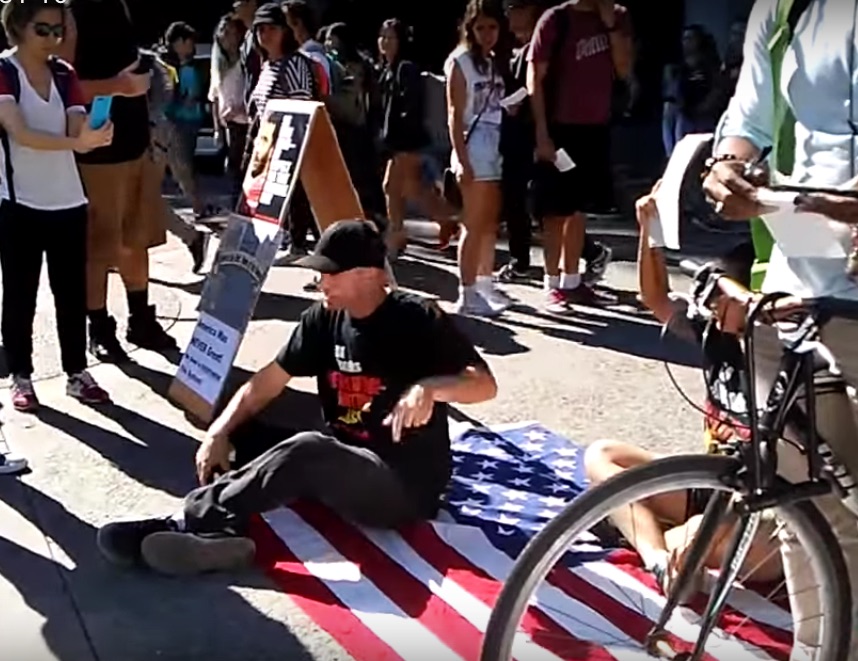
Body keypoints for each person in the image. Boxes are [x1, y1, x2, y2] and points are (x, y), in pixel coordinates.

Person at [96, 220, 498, 575]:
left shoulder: (416, 318)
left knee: (306, 450)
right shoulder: (323, 317)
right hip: (346, 456)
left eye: (330, 274)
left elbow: (484, 383)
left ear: (369, 275)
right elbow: (265, 383)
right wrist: (217, 432)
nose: (320, 282)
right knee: (238, 422)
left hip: (403, 487)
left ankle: (189, 519)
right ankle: (225, 534)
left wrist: (429, 388)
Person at [702, 0, 858, 652]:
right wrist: (728, 165)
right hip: (794, 273)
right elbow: (749, 115)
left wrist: (781, 201)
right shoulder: (781, 6)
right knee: (800, 505)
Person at [584, 183, 781, 598]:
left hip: (764, 506)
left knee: (690, 540)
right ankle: (655, 556)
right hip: (714, 480)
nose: (715, 311)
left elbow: (776, 473)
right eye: (714, 302)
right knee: (603, 456)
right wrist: (648, 231)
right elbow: (655, 297)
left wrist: (702, 532)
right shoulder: (713, 330)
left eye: (725, 303)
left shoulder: (782, 357)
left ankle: (659, 540)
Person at [0, 0, 112, 410]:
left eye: (58, 30)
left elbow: (75, 128)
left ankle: (76, 372)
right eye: (43, 29)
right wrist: (77, 142)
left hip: (68, 200)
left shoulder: (65, 74)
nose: (53, 38)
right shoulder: (4, 71)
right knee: (19, 295)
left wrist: (96, 132)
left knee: (71, 293)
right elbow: (21, 133)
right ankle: (21, 376)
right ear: (18, 28)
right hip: (19, 202)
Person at [61, 0, 178, 363]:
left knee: (135, 239)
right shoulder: (70, 13)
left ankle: (140, 318)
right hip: (96, 155)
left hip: (135, 146)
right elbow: (60, 83)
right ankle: (99, 328)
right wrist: (120, 86)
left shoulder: (121, 7)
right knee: (98, 247)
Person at [528, 0, 632, 312]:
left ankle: (572, 282)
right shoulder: (555, 19)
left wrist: (609, 23)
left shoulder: (617, 16)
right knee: (554, 211)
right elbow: (535, 76)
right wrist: (541, 132)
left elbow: (624, 68)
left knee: (579, 209)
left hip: (596, 127)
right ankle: (552, 283)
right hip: (560, 127)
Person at [446, 0, 510, 317]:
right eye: (480, 27)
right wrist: (462, 159)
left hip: (497, 142)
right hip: (474, 146)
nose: (487, 34)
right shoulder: (460, 62)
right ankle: (466, 291)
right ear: (469, 28)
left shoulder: (494, 61)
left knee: (488, 222)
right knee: (473, 222)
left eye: (493, 27)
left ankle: (483, 284)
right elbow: (455, 115)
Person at [378, 18, 457, 254]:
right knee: (409, 189)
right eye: (382, 36)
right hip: (400, 142)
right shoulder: (389, 69)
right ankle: (446, 223)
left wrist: (400, 139)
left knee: (398, 187)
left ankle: (397, 236)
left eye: (391, 37)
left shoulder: (405, 69)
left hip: (407, 141)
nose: (384, 41)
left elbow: (410, 107)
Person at [497, 0, 543, 283]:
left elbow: (537, 85)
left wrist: (512, 102)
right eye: (509, 9)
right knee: (515, 199)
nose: (512, 15)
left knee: (544, 203)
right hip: (511, 136)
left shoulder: (539, 47)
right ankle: (520, 260)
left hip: (534, 132)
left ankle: (587, 250)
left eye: (518, 7)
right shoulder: (508, 51)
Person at [162, 21, 211, 220]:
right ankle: (197, 204)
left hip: (191, 121)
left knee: (185, 164)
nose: (192, 47)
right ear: (178, 42)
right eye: (189, 42)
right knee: (181, 165)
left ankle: (197, 203)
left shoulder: (191, 65)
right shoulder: (166, 66)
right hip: (175, 121)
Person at [209, 14, 249, 209]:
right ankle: (237, 206)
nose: (228, 37)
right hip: (229, 123)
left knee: (241, 167)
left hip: (246, 120)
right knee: (232, 168)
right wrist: (217, 127)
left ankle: (240, 206)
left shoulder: (246, 59)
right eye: (224, 32)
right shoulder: (218, 63)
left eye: (232, 32)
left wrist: (240, 108)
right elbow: (214, 97)